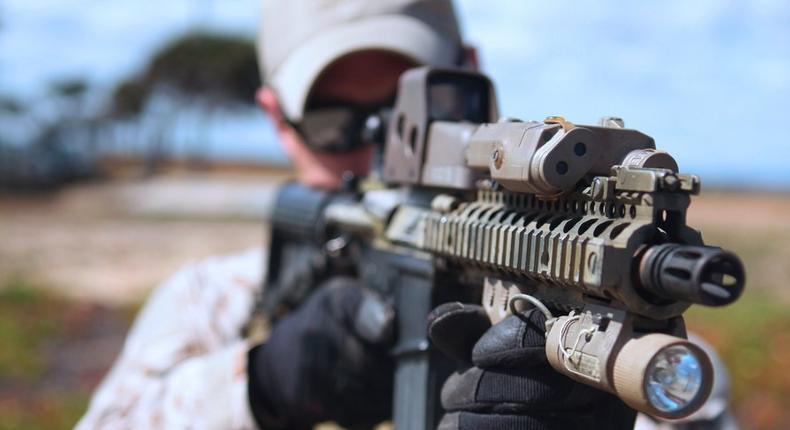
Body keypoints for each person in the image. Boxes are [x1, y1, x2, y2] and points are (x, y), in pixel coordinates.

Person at [78, 1, 730, 429]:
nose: (380, 150)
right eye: (337, 122)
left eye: (413, 111)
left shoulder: (623, 347)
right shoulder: (211, 303)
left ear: (471, 77)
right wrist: (259, 387)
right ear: (278, 119)